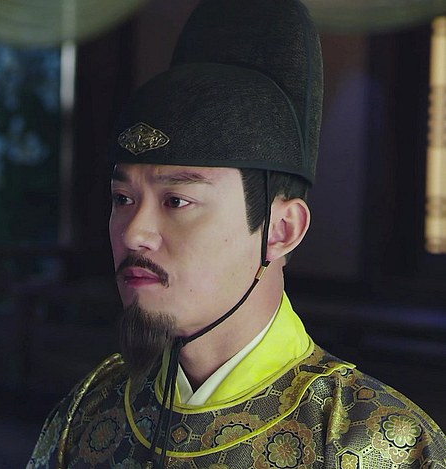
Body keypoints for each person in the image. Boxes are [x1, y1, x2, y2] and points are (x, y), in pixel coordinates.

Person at [27, 0, 446, 467]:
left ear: (282, 230)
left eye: (176, 201)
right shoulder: (90, 410)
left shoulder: (376, 443)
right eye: (123, 199)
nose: (134, 234)